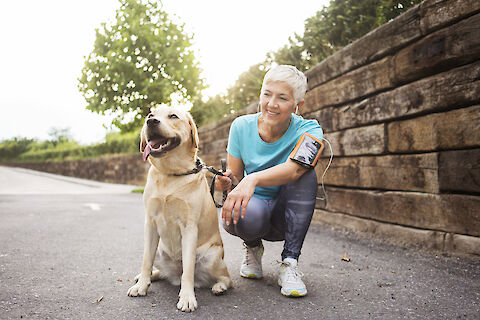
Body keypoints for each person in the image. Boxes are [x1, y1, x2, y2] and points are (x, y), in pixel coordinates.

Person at [216, 65, 324, 297]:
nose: (271, 104)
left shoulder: (311, 130)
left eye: (282, 98)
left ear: (298, 105)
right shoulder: (241, 126)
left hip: (289, 212)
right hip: (255, 211)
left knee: (307, 173)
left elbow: (296, 169)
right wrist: (225, 182)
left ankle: (290, 263)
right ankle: (253, 248)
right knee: (242, 215)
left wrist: (253, 178)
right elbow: (234, 176)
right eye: (267, 94)